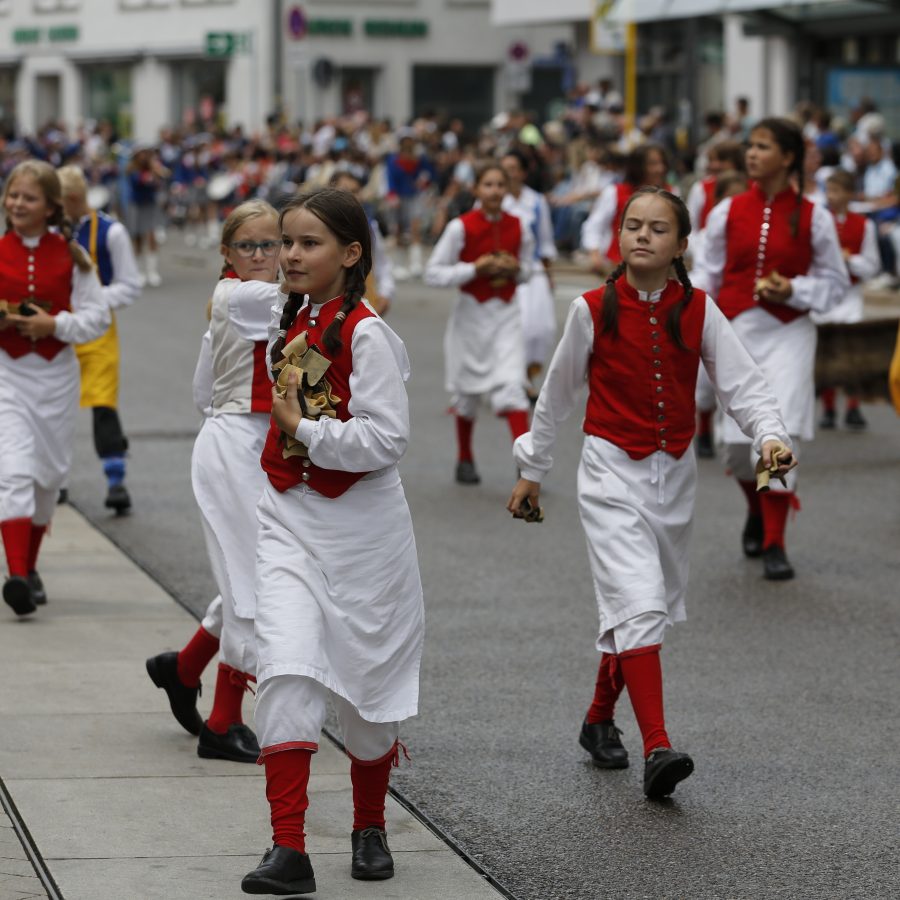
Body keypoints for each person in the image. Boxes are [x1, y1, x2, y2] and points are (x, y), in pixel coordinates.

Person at [507, 186, 795, 799]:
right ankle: (658, 746)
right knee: (638, 603)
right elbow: (556, 394)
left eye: (657, 228)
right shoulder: (591, 307)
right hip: (610, 470)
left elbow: (743, 384)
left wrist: (769, 435)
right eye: (632, 225)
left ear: (682, 245)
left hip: (675, 474)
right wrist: (533, 468)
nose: (641, 235)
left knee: (644, 606)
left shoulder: (700, 309)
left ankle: (597, 718)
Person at [241, 187, 424, 895]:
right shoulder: (287, 321)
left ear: (351, 255)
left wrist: (306, 430)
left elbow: (387, 438)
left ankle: (369, 822)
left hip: (365, 536)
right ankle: (289, 849)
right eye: (285, 241)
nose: (289, 254)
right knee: (285, 670)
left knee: (370, 697)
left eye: (307, 242)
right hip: (288, 520)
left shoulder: (370, 334)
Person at [146, 200, 283, 762]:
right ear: (226, 253)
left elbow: (203, 389)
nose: (262, 255)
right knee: (253, 587)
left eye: (271, 244)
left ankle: (182, 669)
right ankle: (223, 723)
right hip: (236, 447)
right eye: (247, 246)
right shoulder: (243, 294)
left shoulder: (228, 300)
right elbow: (311, 301)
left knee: (252, 576)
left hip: (254, 443)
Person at [693, 117, 848, 580]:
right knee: (737, 446)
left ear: (788, 157)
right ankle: (758, 508)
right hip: (737, 332)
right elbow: (707, 275)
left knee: (778, 435)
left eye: (763, 146)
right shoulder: (725, 212)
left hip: (790, 333)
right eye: (750, 145)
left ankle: (777, 541)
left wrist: (794, 290)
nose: (752, 154)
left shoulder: (814, 214)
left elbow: (835, 284)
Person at [0, 160, 109, 616]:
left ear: (49, 206)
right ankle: (18, 575)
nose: (17, 204)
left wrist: (54, 323)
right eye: (13, 196)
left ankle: (32, 566)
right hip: (7, 372)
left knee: (48, 479)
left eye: (28, 198)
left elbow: (97, 318)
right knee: (14, 471)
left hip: (55, 377)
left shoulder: (73, 256)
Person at [424, 162, 535, 485]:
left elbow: (530, 269)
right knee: (466, 392)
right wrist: (475, 269)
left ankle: (525, 462)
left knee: (512, 384)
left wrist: (516, 270)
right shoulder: (461, 227)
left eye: (501, 185)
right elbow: (434, 273)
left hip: (507, 313)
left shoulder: (520, 226)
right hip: (471, 314)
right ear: (476, 190)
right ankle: (464, 458)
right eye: (488, 185)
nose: (495, 191)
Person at [58, 165, 142, 514]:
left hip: (97, 330)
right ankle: (55, 479)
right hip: (58, 327)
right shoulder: (49, 231)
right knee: (54, 404)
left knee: (102, 402)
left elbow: (130, 285)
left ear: (73, 199)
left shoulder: (111, 232)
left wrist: (93, 301)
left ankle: (115, 478)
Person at [812, 169, 881, 431]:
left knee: (852, 353)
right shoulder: (819, 220)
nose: (831, 196)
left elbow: (871, 265)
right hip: (827, 294)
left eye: (837, 191)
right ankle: (828, 408)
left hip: (851, 296)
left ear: (850, 194)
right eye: (829, 190)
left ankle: (853, 406)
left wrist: (849, 259)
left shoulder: (864, 225)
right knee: (828, 352)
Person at [501, 149, 558, 400]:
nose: (508, 174)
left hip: (532, 271)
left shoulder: (536, 201)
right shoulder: (493, 199)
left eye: (513, 168)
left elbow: (545, 241)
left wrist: (549, 274)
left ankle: (529, 374)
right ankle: (518, 382)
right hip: (504, 272)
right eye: (505, 168)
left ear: (523, 172)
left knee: (542, 328)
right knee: (519, 328)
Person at [581, 143, 670, 275]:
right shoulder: (614, 193)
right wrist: (595, 254)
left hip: (659, 271)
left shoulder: (671, 194)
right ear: (638, 167)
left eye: (662, 163)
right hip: (617, 268)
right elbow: (594, 226)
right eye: (653, 164)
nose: (660, 169)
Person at [330, 170, 395, 315]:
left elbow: (382, 264)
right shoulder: (321, 230)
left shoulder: (370, 227)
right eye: (345, 191)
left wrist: (385, 294)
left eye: (356, 191)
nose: (353, 196)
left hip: (366, 310)